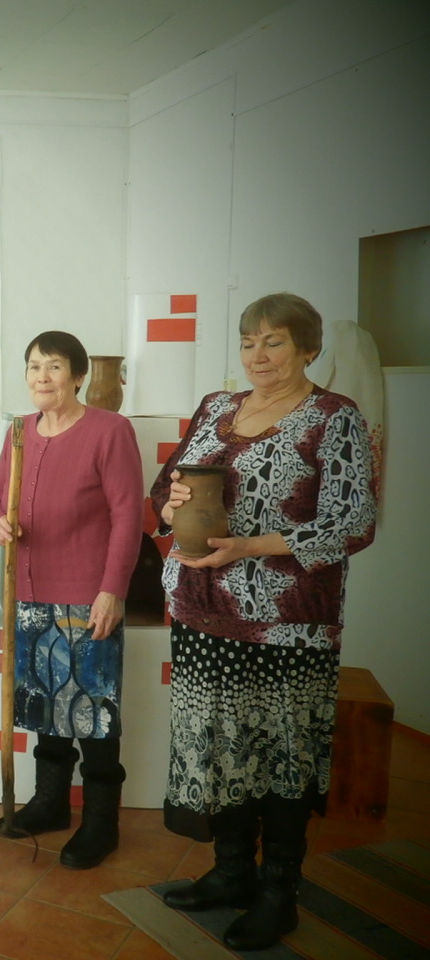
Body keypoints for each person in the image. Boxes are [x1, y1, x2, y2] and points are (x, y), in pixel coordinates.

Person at [151, 293, 376, 951]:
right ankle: (230, 874)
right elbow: (166, 489)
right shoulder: (217, 408)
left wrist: (251, 546)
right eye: (249, 341)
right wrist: (172, 509)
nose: (258, 355)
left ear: (308, 348)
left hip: (287, 623)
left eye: (274, 342)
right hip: (202, 610)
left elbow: (354, 521)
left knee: (282, 755)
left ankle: (279, 894)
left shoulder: (334, 418)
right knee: (223, 748)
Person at [0, 331, 142, 869]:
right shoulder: (19, 432)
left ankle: (102, 824)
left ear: (78, 375)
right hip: (30, 592)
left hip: (86, 596)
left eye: (53, 367)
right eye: (33, 367)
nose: (41, 378)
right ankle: (50, 804)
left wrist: (112, 590)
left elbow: (127, 514)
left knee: (93, 715)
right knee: (46, 709)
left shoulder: (110, 430)